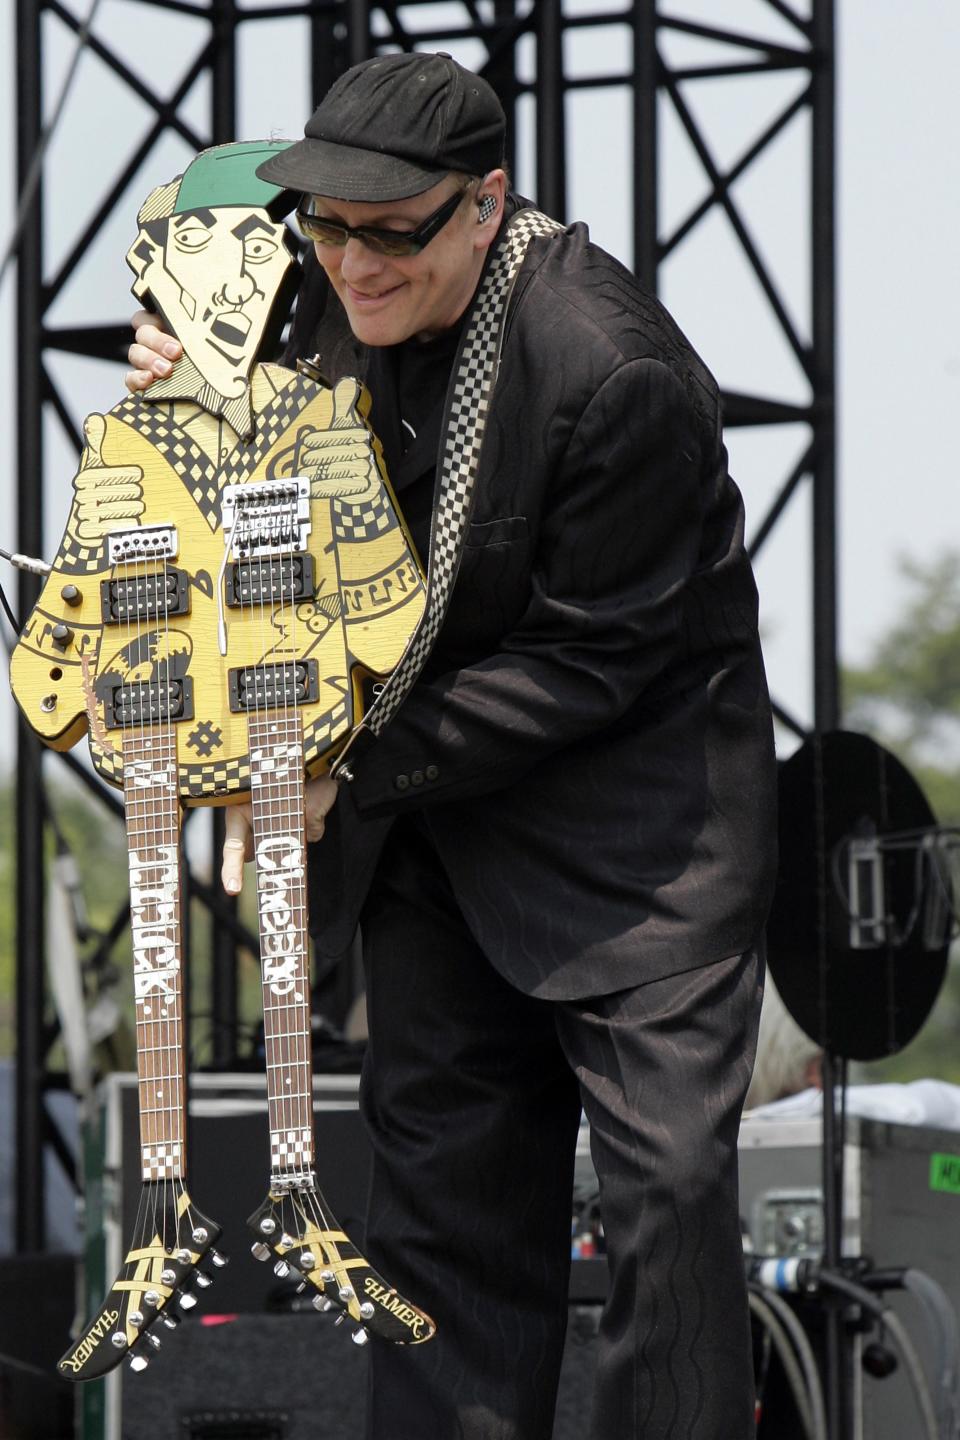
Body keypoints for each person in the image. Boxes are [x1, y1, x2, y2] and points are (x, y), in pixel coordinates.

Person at [128, 52, 778, 1440]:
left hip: (637, 844)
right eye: (327, 224)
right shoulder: (304, 294)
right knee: (440, 1239)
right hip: (434, 832)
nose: (351, 262)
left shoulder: (615, 370)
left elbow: (589, 664)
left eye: (392, 230)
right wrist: (191, 416)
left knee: (667, 1202)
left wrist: (335, 768)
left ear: (486, 207)